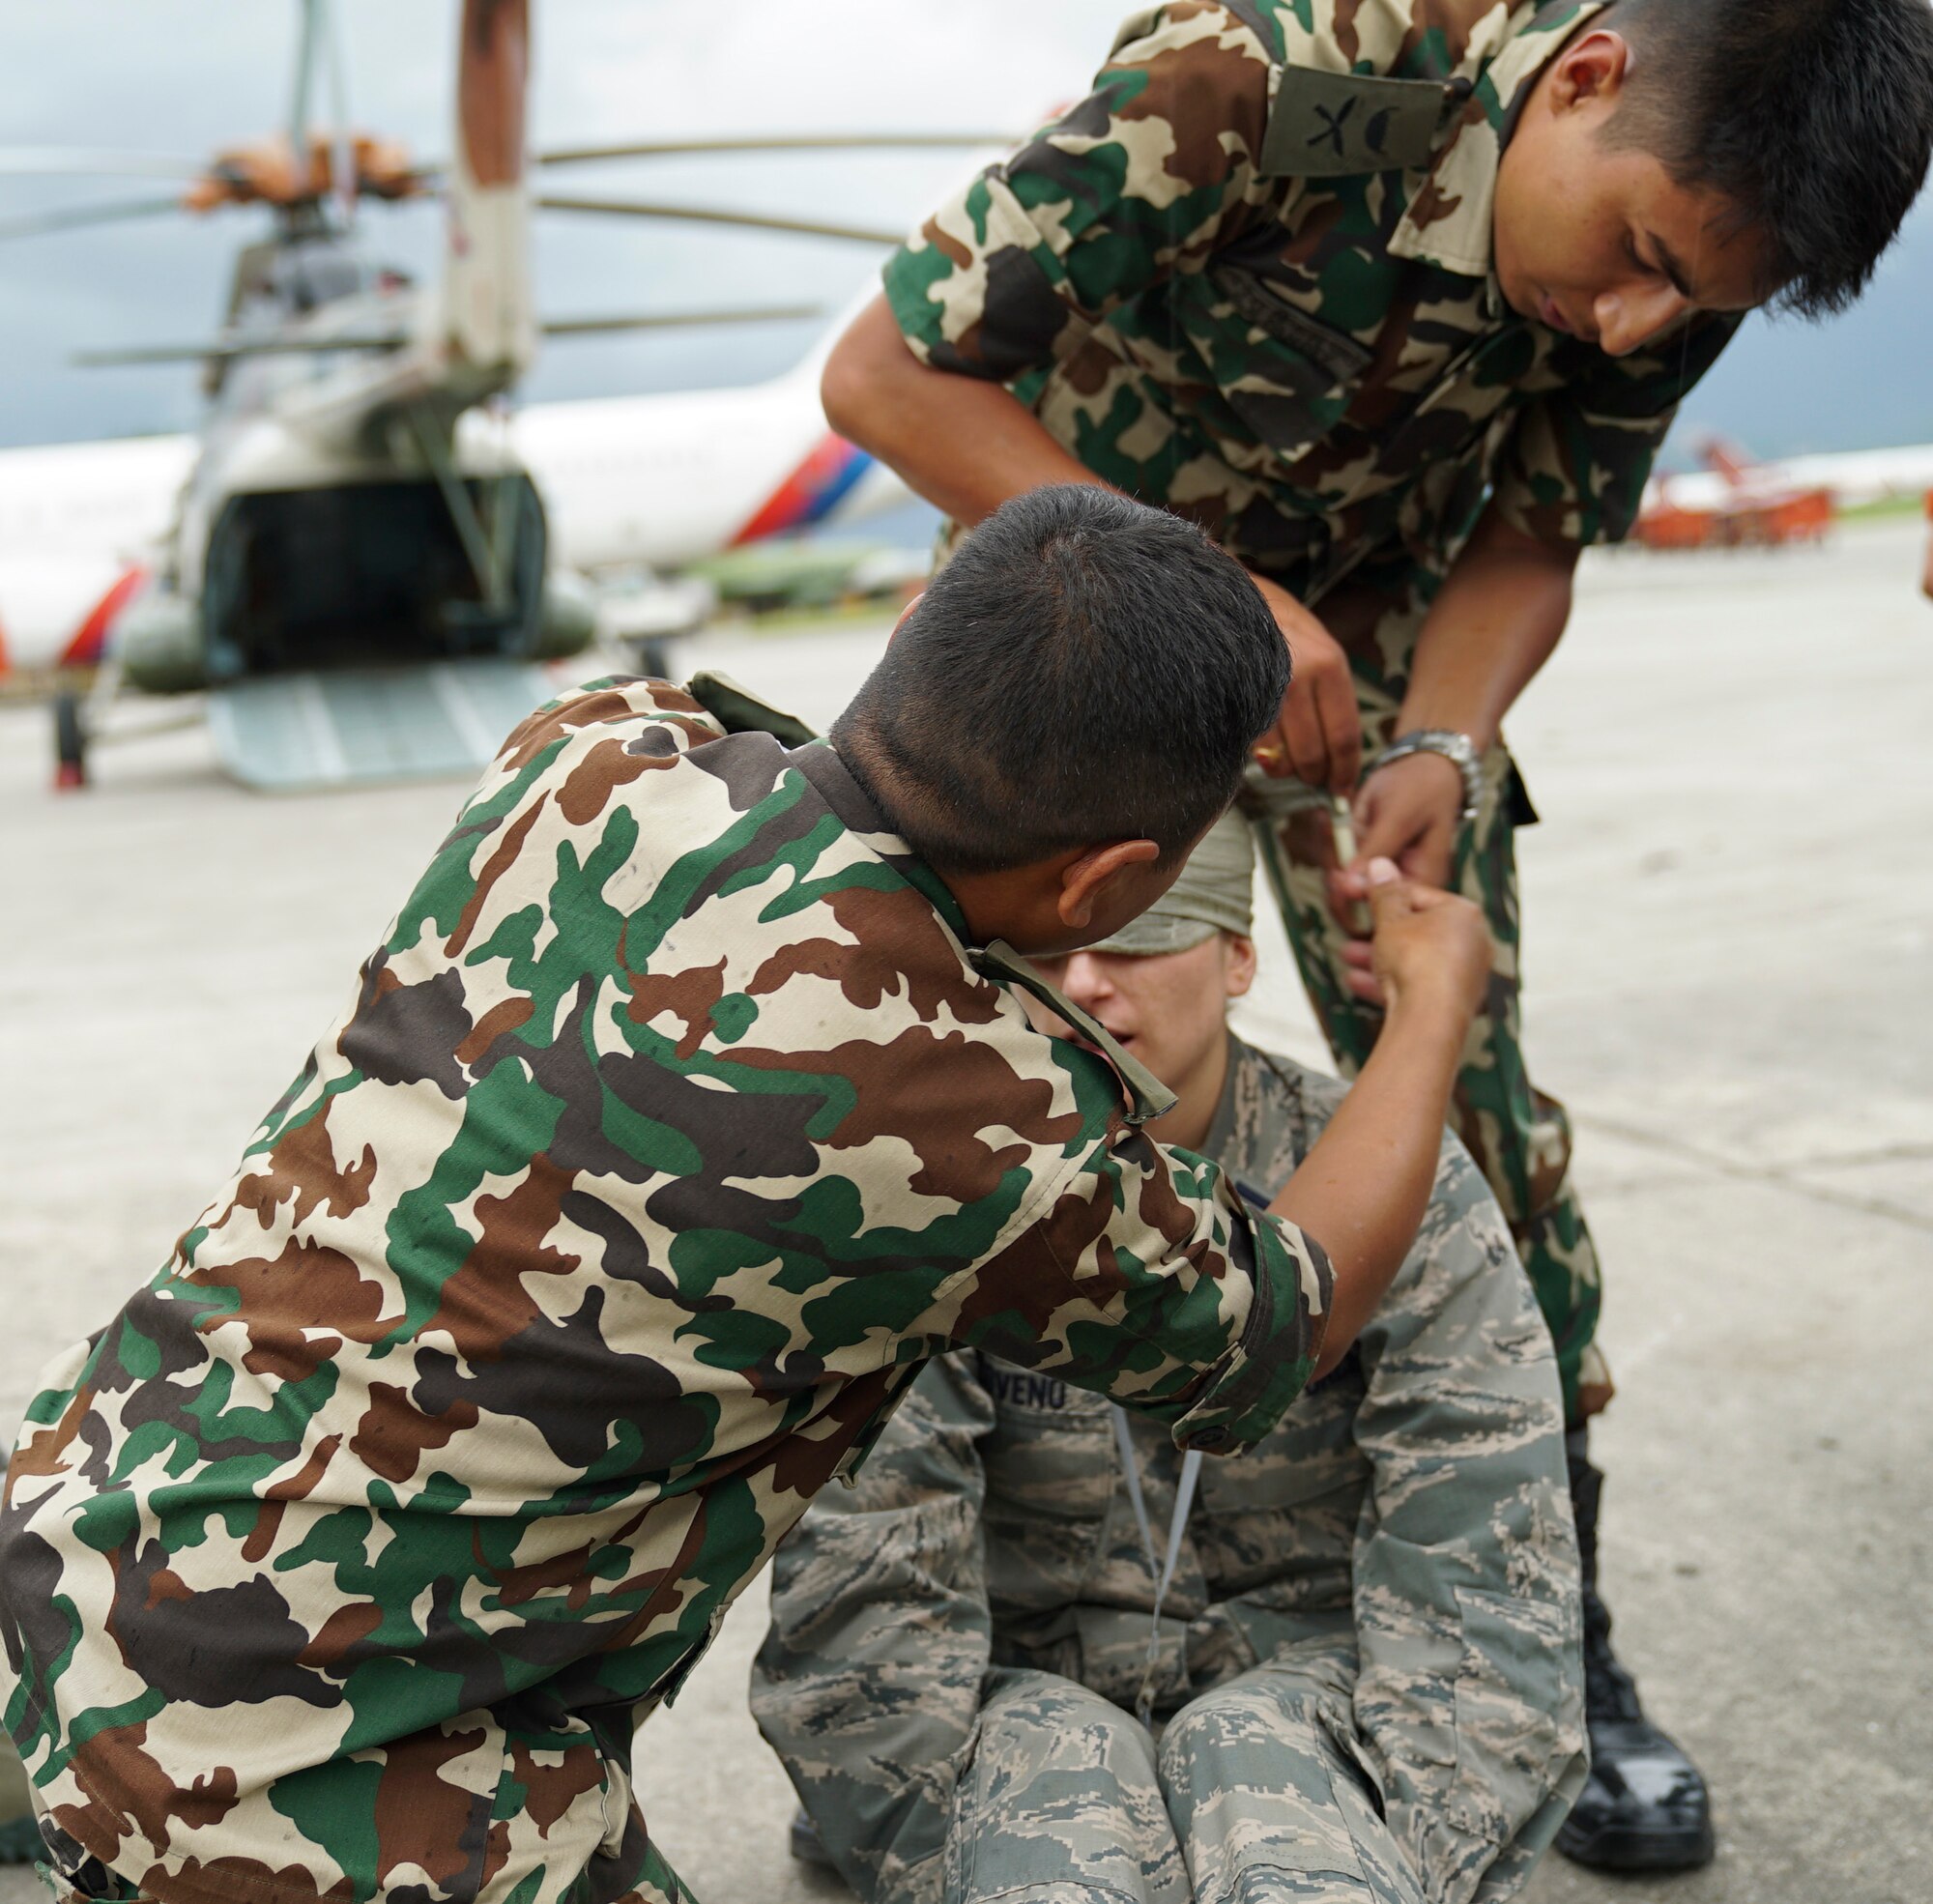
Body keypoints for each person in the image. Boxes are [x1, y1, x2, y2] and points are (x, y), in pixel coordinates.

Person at [0, 488, 1488, 1904]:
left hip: (72, 1534)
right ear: (1103, 887)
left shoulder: (596, 745)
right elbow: (1285, 1318)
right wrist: (1428, 1009)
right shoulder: (977, 1113)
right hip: (303, 1761)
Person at [815, 0, 1933, 1866]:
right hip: (1091, 637)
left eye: (1699, 307)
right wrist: (1222, 603)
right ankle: (932, 1696)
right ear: (1583, 79)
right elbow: (886, 383)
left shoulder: (1693, 218)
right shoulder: (1262, 73)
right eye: (1645, 263)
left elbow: (1536, 532)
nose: (1646, 325)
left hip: (1377, 681)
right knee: (994, 1122)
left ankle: (1551, 1647)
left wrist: (1447, 743)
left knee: (1474, 1115)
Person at [754, 809, 1582, 1904]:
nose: (1087, 982)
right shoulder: (937, 1190)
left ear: (1237, 956)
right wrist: (941, 1843)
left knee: (1268, 1788)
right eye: (1047, 950)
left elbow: (1484, 1564)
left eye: (1140, 935)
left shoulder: (1388, 1181)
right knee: (1057, 1817)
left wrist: (1395, 1847)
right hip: (1024, 1693)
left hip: (1310, 1688)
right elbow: (865, 1590)